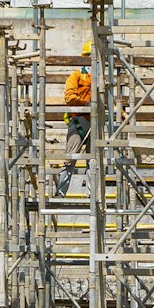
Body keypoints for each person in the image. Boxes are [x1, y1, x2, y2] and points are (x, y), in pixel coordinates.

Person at [56, 42, 92, 199]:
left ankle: (92, 195)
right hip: (79, 122)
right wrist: (86, 104)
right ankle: (61, 193)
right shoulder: (77, 75)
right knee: (70, 158)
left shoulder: (102, 77)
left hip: (94, 123)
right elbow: (70, 97)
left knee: (94, 161)